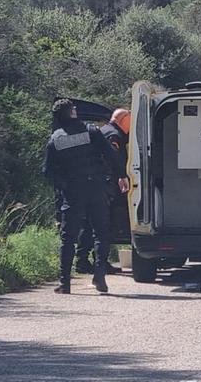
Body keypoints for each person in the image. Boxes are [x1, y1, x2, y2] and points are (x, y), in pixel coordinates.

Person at [42, 99, 128, 294]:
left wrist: (64, 185)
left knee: (68, 238)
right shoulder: (91, 132)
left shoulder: (55, 140)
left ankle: (65, 284)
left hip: (73, 192)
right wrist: (122, 175)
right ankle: (100, 277)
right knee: (101, 232)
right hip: (96, 187)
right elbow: (111, 155)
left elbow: (48, 171)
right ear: (73, 113)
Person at [74, 108, 130, 275]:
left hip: (90, 183)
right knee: (102, 225)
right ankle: (99, 262)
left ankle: (83, 261)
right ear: (124, 120)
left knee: (88, 223)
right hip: (105, 185)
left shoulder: (103, 130)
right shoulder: (114, 136)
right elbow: (112, 159)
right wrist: (121, 177)